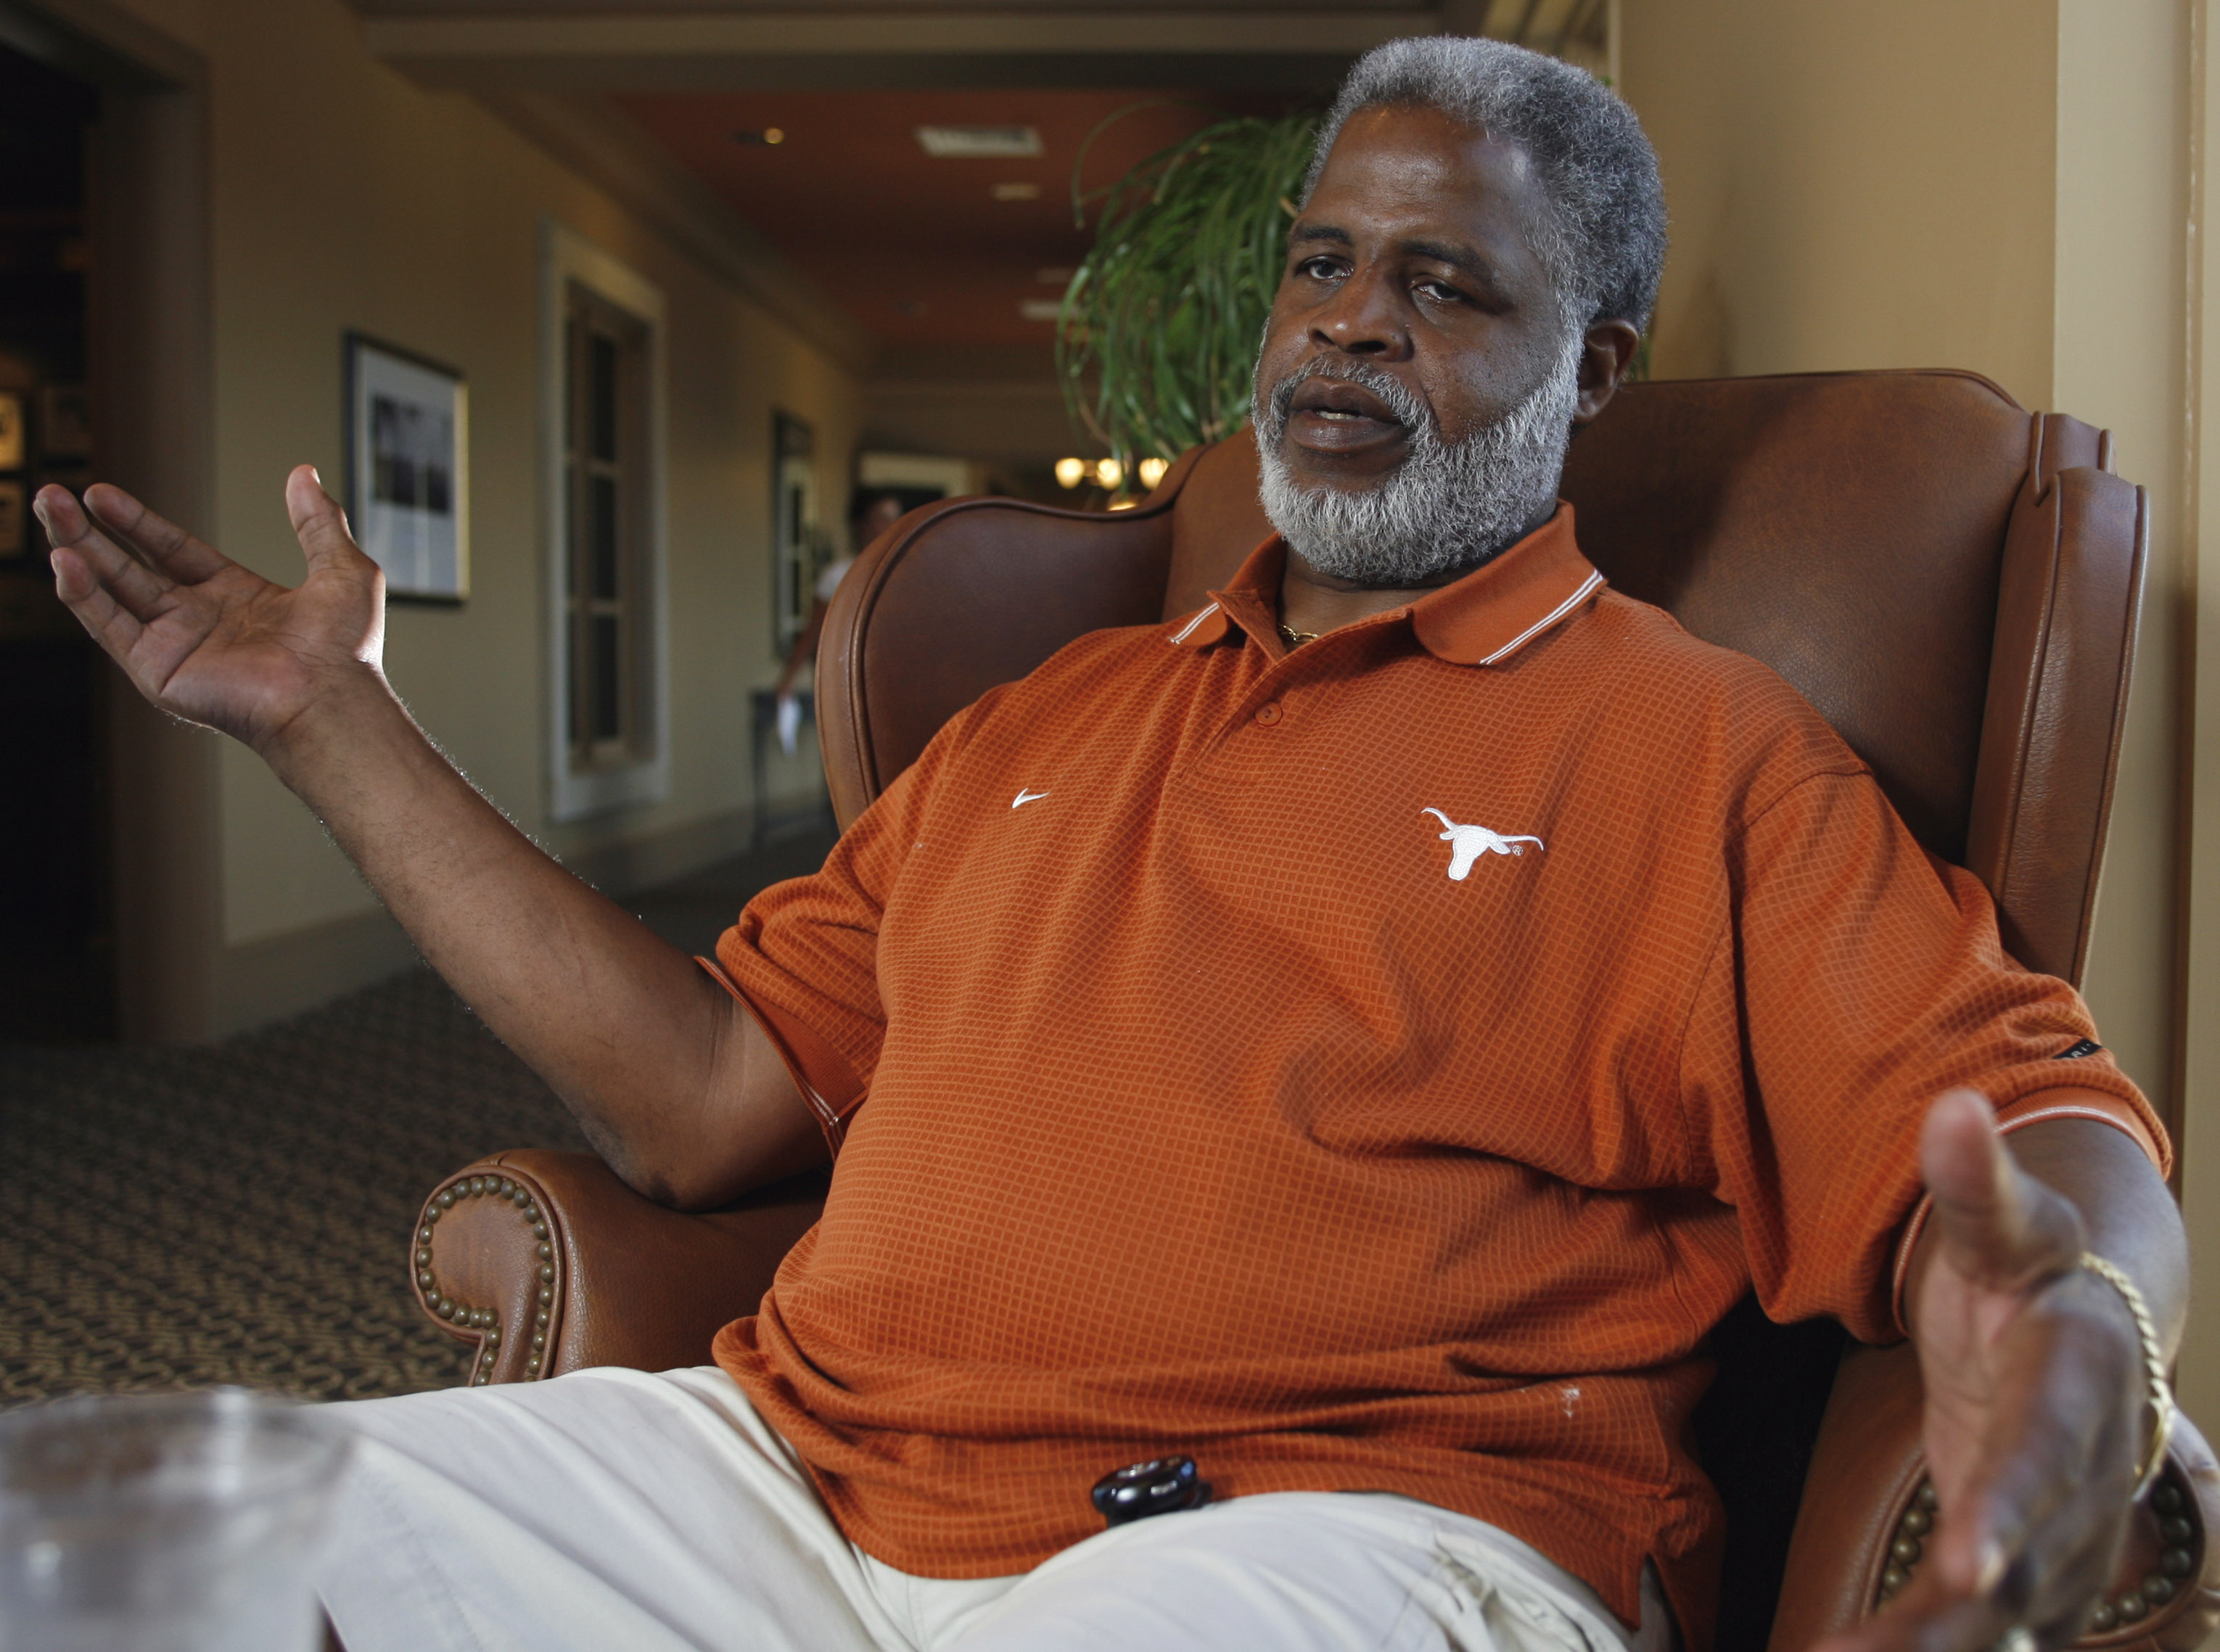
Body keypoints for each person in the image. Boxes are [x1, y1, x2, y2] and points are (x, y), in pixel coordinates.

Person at [35, 36, 2184, 1652]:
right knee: (108, 1550)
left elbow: (2032, 1120)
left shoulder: (1698, 757)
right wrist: (331, 724)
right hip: (781, 1479)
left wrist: (2073, 1314)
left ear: (1590, 368)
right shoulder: (1049, 723)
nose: (1350, 318)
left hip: (1335, 1536)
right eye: (1324, 263)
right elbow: (701, 1099)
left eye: (1444, 286)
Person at [772, 488, 905, 753]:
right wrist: (788, 678)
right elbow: (813, 632)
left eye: (895, 517)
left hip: (897, 681)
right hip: (851, 684)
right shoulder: (839, 575)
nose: (890, 525)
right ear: (861, 523)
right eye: (881, 517)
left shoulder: (906, 570)